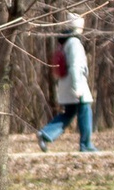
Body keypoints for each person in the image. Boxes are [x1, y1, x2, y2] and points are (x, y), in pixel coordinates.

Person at [37, 12, 97, 153]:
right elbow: (76, 66)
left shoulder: (65, 42)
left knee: (69, 113)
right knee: (85, 111)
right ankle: (86, 144)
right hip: (76, 84)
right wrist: (77, 88)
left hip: (65, 83)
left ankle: (46, 134)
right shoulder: (74, 43)